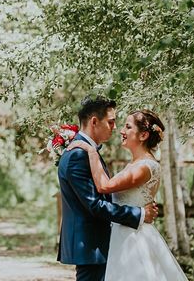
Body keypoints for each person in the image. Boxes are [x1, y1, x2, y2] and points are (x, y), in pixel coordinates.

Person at [67, 108, 188, 280]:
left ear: (143, 135)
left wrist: (91, 151)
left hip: (134, 238)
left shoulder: (144, 167)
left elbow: (104, 186)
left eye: (128, 127)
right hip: (123, 233)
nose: (122, 131)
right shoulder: (135, 164)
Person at [57, 95, 159, 281]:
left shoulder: (87, 151)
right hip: (91, 247)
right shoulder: (79, 154)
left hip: (103, 245)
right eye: (111, 122)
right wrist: (140, 213)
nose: (116, 128)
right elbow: (95, 204)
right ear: (94, 121)